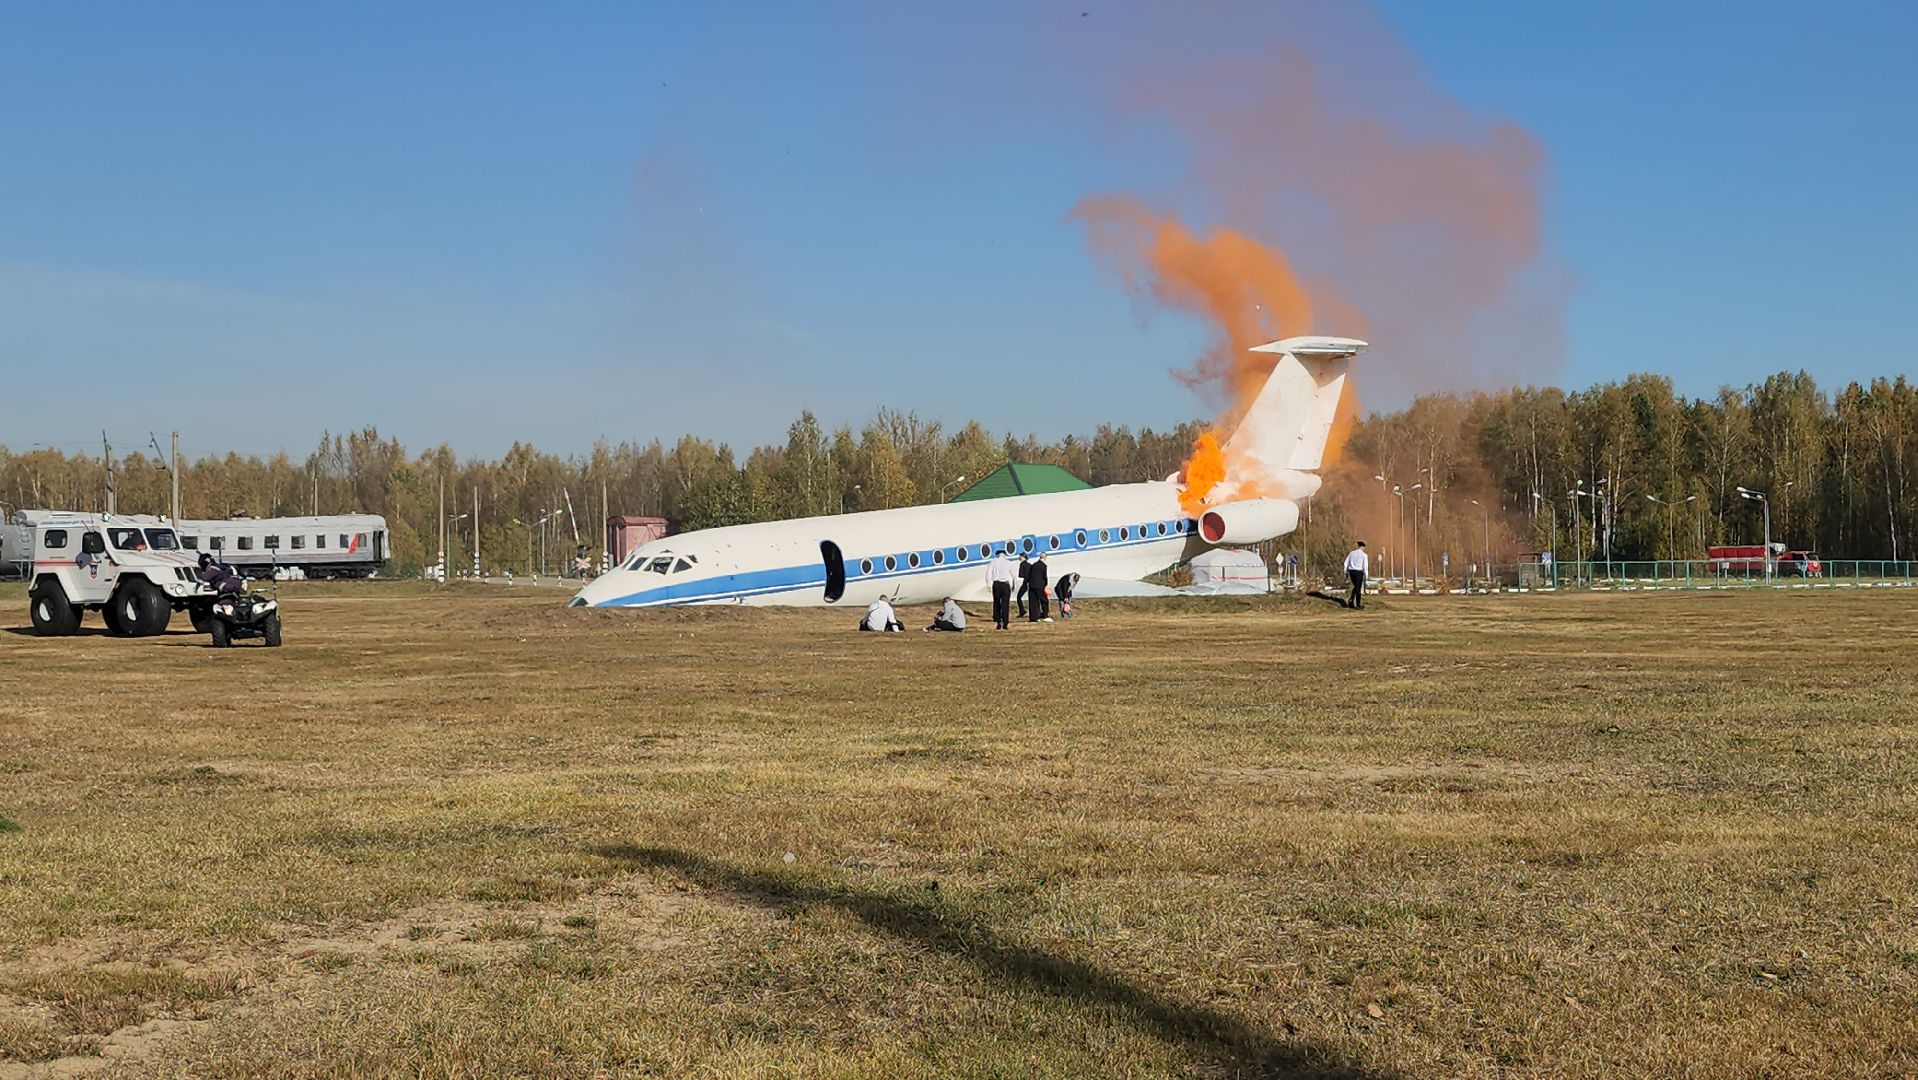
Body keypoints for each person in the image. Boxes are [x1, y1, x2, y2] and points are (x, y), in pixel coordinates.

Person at [987, 548, 1016, 630]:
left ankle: (998, 621)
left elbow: (989, 573)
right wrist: (1013, 585)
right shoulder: (1009, 563)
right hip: (1005, 584)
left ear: (997, 555)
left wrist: (989, 584)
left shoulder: (993, 562)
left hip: (996, 584)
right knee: (1005, 604)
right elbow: (1014, 575)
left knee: (996, 603)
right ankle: (1005, 622)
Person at [1344, 540, 1369, 609]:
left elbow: (1346, 562)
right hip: (1359, 572)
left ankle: (1351, 601)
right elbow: (1365, 565)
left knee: (1356, 586)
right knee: (1358, 589)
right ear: (1363, 547)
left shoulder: (1351, 553)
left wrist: (1345, 571)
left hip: (1351, 571)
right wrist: (1366, 574)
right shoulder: (1364, 555)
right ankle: (1358, 604)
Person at [1026, 551, 1051, 622]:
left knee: (1033, 602)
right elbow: (1044, 576)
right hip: (1039, 585)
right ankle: (1045, 615)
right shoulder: (1043, 566)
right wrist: (1045, 585)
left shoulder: (1033, 565)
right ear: (1045, 557)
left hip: (1031, 585)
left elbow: (1029, 575)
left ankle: (1033, 617)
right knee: (1044, 600)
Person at [1015, 553, 1032, 618]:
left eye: (1020, 557)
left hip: (1025, 582)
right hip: (1031, 582)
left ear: (1023, 557)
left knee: (1019, 597)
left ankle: (1022, 611)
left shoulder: (1022, 564)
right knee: (1032, 598)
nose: (1019, 558)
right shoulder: (1030, 565)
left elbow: (1020, 575)